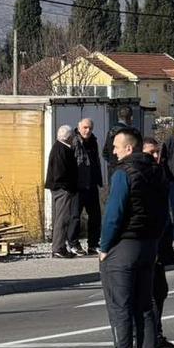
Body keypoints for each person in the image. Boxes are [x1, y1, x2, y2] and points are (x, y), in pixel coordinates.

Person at [98, 128, 166, 348]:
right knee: (145, 306)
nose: (113, 152)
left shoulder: (123, 173)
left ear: (129, 148)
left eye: (116, 147)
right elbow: (164, 213)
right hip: (149, 245)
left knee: (121, 309)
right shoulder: (157, 172)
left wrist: (104, 247)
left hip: (124, 246)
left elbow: (114, 214)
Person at [141, 137, 174, 348]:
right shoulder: (140, 176)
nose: (156, 156)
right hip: (148, 245)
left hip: (160, 241)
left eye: (157, 152)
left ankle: (157, 335)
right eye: (151, 153)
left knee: (161, 291)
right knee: (149, 295)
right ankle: (147, 340)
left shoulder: (159, 174)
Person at [46, 125, 80, 259]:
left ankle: (59, 247)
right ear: (69, 137)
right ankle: (58, 248)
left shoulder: (60, 148)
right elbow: (60, 173)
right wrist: (68, 187)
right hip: (62, 189)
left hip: (60, 188)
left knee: (61, 218)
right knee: (62, 219)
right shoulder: (61, 150)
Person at [72, 118, 104, 256]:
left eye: (90, 128)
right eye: (85, 128)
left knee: (95, 216)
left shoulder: (93, 141)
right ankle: (73, 243)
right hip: (78, 185)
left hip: (91, 184)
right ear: (79, 128)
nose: (88, 130)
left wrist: (99, 180)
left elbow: (96, 161)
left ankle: (93, 244)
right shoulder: (74, 141)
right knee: (75, 216)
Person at [103, 106, 135, 176]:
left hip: (113, 170)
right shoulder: (130, 133)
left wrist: (112, 162)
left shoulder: (110, 132)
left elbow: (105, 153)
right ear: (130, 118)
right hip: (126, 170)